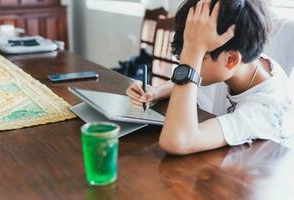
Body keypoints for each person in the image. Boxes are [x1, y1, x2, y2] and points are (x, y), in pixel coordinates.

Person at [126, 0, 294, 154]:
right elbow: (196, 79)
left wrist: (193, 55)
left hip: (244, 176)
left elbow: (178, 141)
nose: (190, 63)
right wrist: (156, 92)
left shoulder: (265, 111)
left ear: (231, 60)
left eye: (198, 57)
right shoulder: (239, 63)